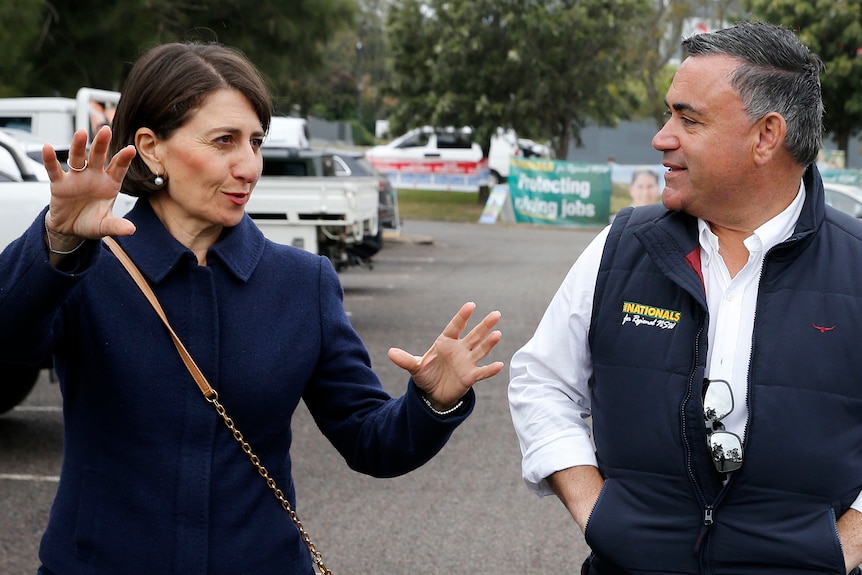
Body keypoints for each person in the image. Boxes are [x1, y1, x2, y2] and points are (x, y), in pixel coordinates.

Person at [0, 42, 503, 575]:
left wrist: (431, 404)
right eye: (224, 141)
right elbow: (9, 339)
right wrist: (56, 240)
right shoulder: (85, 268)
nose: (249, 166)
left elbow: (368, 439)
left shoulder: (302, 283)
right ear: (150, 147)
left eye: (256, 142)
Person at [509, 21, 862, 575]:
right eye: (669, 114)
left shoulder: (857, 265)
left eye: (688, 119)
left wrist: (843, 545)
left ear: (766, 136)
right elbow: (542, 379)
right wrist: (595, 508)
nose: (662, 137)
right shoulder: (623, 245)